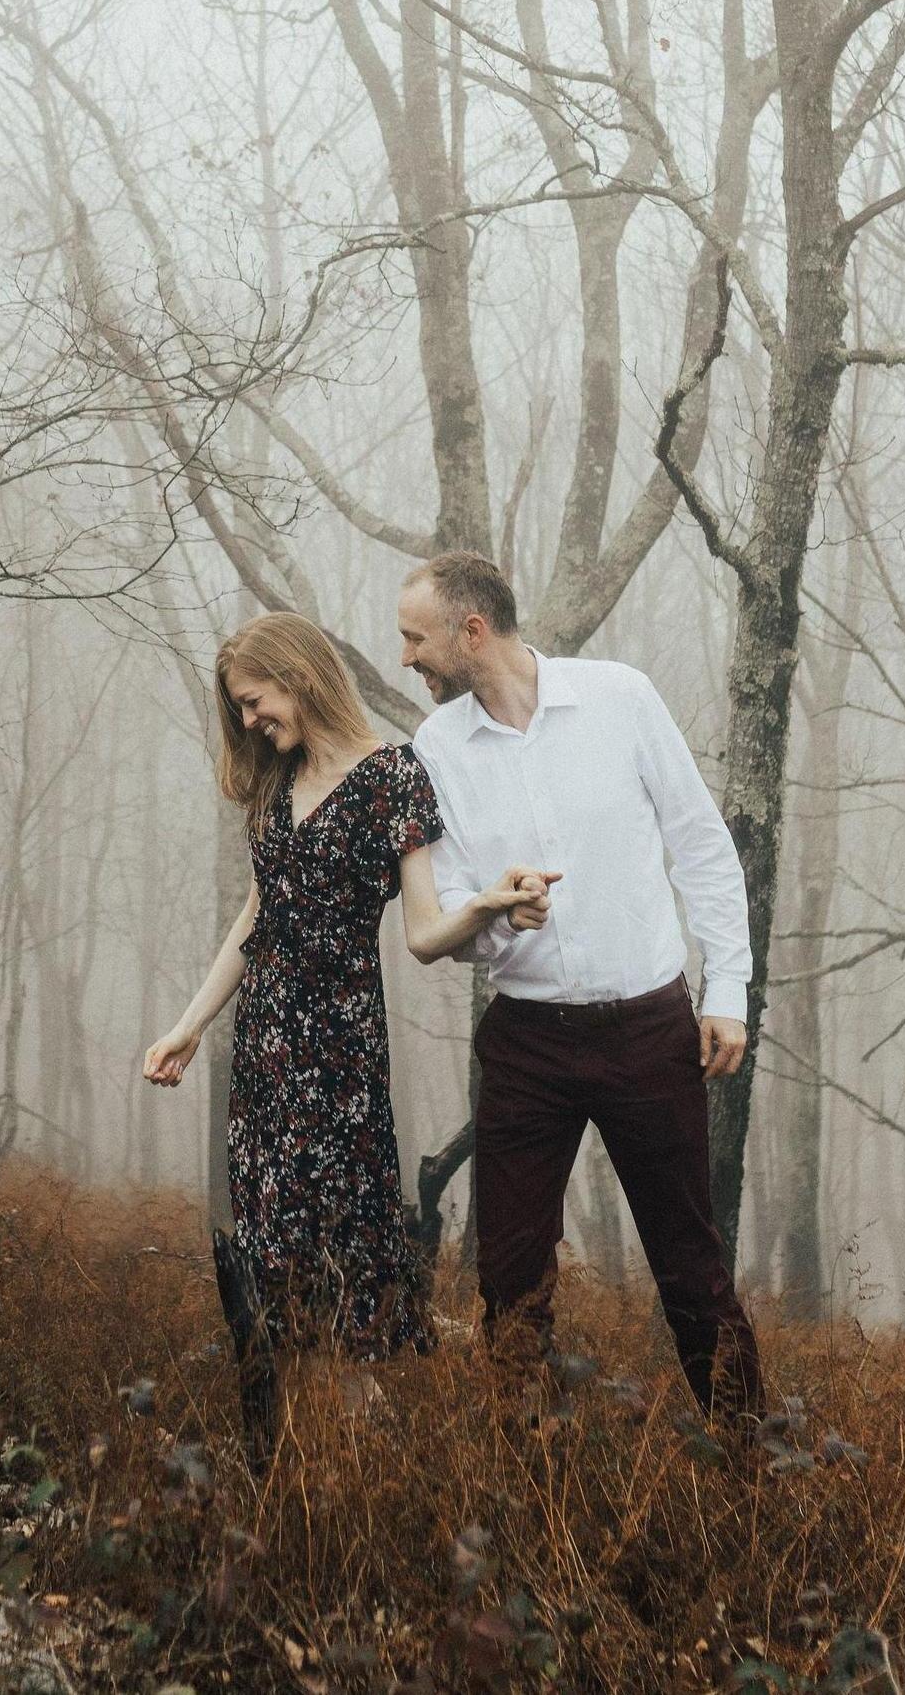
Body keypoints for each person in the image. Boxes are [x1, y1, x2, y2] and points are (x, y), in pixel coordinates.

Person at [142, 610, 545, 1467]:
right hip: (264, 1058)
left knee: (344, 1266)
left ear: (298, 676)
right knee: (273, 1261)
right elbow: (258, 916)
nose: (250, 722)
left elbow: (424, 933)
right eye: (241, 712)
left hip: (339, 1055)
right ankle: (284, 1461)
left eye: (254, 702)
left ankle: (371, 1474)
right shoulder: (273, 785)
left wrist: (487, 904)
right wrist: (187, 1027)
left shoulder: (392, 777)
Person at [396, 552, 765, 1424]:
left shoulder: (620, 698)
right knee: (511, 1273)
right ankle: (525, 1471)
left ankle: (754, 1456)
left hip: (648, 1031)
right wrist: (497, 916)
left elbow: (702, 846)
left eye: (417, 640)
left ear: (471, 631)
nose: (407, 657)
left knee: (688, 1261)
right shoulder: (435, 747)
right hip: (525, 1044)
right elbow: (447, 913)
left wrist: (728, 993)